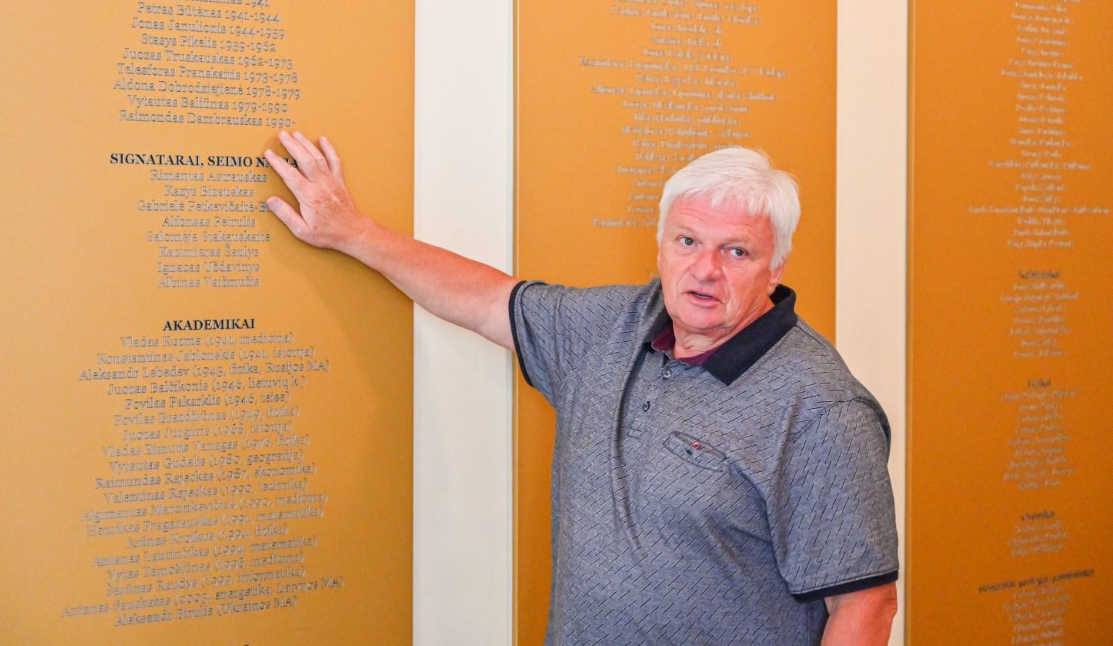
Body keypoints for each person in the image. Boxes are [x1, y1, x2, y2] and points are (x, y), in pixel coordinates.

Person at [264, 130, 899, 645]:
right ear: (661, 245)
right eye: (688, 241)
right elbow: (485, 300)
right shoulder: (610, 328)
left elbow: (865, 606)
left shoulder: (821, 406)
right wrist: (351, 232)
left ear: (776, 265)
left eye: (737, 252)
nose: (705, 270)